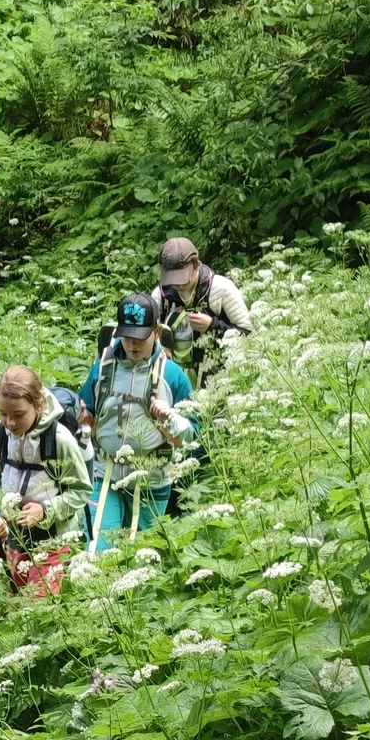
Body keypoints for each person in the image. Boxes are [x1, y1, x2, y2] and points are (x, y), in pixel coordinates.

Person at [80, 299, 197, 551]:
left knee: (144, 556)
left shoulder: (173, 376)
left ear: (155, 331)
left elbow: (193, 434)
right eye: (127, 337)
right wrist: (84, 420)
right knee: (101, 551)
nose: (132, 344)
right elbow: (85, 412)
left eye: (140, 337)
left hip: (151, 481)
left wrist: (170, 419)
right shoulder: (102, 369)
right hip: (105, 473)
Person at [0, 366, 92, 592]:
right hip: (13, 539)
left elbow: (81, 490)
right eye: (3, 414)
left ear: (38, 405)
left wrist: (46, 511)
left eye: (18, 414)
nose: (10, 422)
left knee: (40, 608)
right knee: (16, 606)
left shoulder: (59, 440)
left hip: (54, 541)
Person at [149, 236, 251, 377]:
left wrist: (211, 325)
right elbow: (147, 336)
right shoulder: (159, 295)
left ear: (196, 265)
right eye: (172, 279)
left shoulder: (222, 289)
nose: (178, 285)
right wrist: (158, 347)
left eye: (182, 278)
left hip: (221, 374)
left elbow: (248, 336)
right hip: (174, 376)